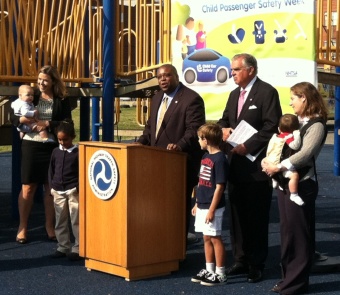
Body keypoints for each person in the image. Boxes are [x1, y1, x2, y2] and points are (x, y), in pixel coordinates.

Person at [217, 53, 282, 283]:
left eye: (236, 70)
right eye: (232, 70)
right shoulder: (234, 94)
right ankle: (241, 259)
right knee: (237, 217)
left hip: (255, 166)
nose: (232, 73)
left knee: (256, 216)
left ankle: (257, 263)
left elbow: (272, 126)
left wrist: (248, 145)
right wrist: (222, 130)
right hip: (234, 165)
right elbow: (224, 120)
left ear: (250, 70)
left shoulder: (267, 92)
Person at [261, 82, 328, 294]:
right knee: (288, 232)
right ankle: (287, 279)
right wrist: (267, 161)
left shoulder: (316, 125)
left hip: (303, 185)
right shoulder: (298, 122)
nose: (290, 103)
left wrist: (277, 166)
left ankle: (296, 283)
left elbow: (305, 154)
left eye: (293, 98)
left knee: (299, 235)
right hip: (285, 184)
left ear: (304, 99)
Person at [137, 63, 205, 244]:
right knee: (156, 205)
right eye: (159, 77)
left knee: (176, 207)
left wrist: (179, 145)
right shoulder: (157, 97)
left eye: (166, 76)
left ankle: (177, 247)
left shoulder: (191, 99)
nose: (163, 80)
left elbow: (194, 130)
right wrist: (141, 142)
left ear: (176, 76)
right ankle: (159, 242)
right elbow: (151, 128)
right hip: (155, 161)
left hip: (179, 163)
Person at [11, 65, 72, 244]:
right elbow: (13, 115)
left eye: (45, 80)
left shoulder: (61, 99)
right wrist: (22, 119)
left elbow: (67, 122)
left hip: (51, 146)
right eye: (39, 80)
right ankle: (22, 227)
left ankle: (49, 227)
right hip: (31, 145)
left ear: (53, 81)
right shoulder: (32, 95)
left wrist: (48, 124)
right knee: (28, 188)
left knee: (50, 189)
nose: (41, 83)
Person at [191, 124, 229, 286]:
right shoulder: (205, 156)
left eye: (200, 138)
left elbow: (220, 186)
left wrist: (212, 209)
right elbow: (201, 182)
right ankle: (209, 269)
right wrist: (197, 203)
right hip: (202, 204)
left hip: (213, 206)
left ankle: (220, 273)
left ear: (206, 140)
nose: (198, 141)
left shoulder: (220, 159)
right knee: (206, 237)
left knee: (215, 237)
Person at [48, 120, 80, 261]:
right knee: (60, 219)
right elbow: (51, 169)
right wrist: (52, 186)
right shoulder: (55, 151)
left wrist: (77, 187)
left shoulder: (77, 152)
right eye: (59, 139)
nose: (62, 142)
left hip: (73, 190)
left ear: (72, 137)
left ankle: (78, 247)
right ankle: (63, 246)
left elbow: (81, 172)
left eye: (65, 139)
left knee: (76, 219)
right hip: (58, 190)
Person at [264, 113, 304, 206]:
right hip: (280, 164)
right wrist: (297, 135)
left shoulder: (275, 136)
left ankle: (275, 180)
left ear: (279, 128)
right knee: (294, 176)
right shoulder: (288, 137)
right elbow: (295, 145)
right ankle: (294, 194)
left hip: (270, 161)